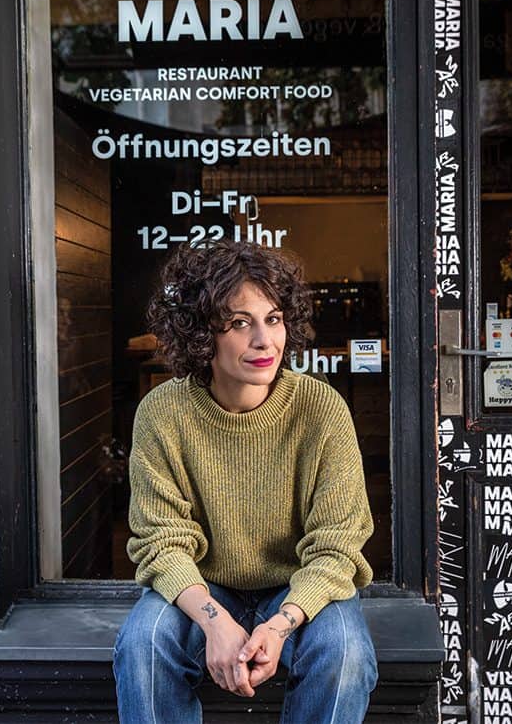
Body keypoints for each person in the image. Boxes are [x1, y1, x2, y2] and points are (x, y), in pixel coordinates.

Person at [113, 240, 377, 723]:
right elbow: (160, 541)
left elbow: (338, 545)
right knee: (143, 644)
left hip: (296, 588)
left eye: (273, 319)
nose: (264, 341)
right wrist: (214, 622)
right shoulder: (163, 413)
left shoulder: (321, 409)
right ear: (200, 333)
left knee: (346, 653)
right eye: (239, 323)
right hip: (203, 586)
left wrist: (279, 625)